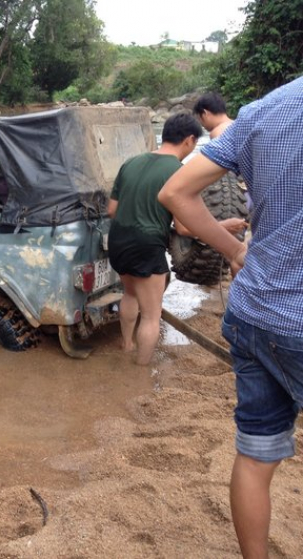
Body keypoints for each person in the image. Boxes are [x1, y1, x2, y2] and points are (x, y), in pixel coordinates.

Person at [159, 76, 303, 559]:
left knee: (257, 453)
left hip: (253, 310)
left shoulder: (265, 110)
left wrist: (236, 253)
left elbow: (177, 194)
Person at [107, 113, 246, 366]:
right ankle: (141, 371)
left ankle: (126, 346)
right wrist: (225, 225)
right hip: (146, 244)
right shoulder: (178, 172)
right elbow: (184, 228)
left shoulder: (131, 162)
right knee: (151, 315)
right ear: (190, 141)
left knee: (129, 294)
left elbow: (112, 210)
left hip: (117, 240)